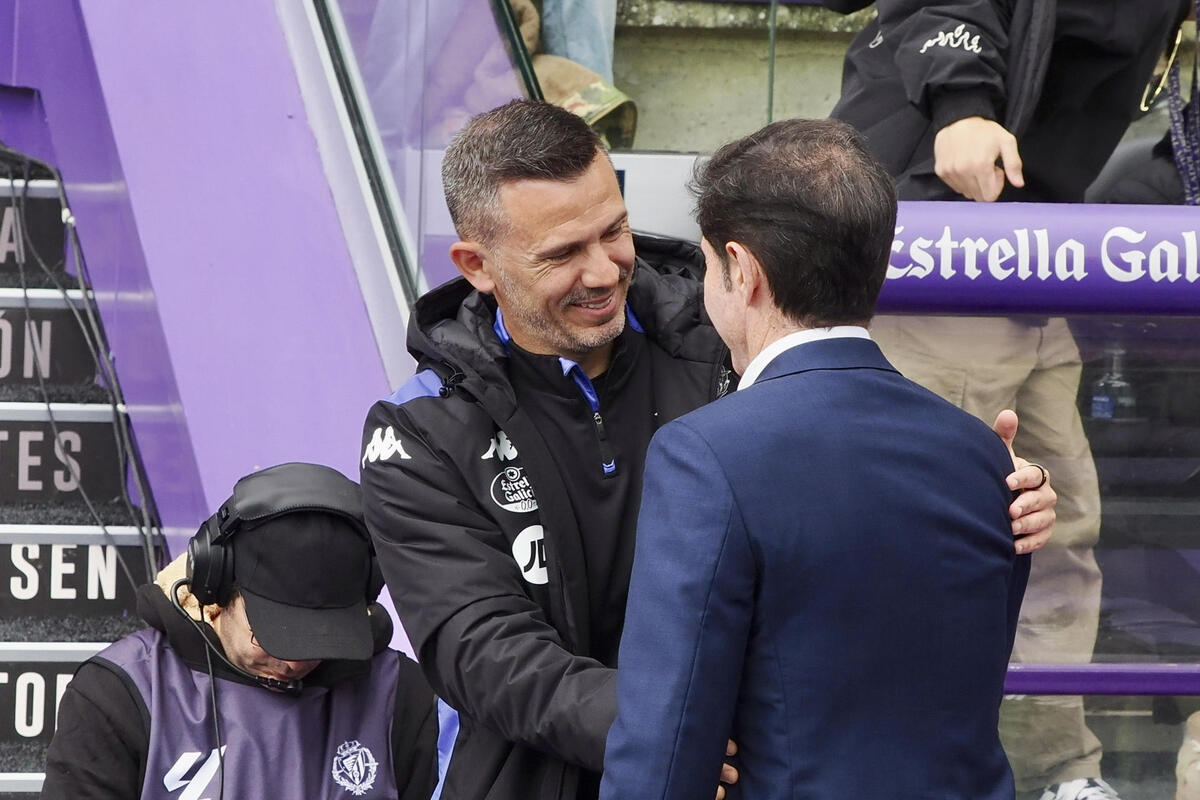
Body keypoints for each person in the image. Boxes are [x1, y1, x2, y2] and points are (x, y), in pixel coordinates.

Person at [359, 98, 1056, 800]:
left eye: (615, 230)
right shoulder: (419, 428)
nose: (603, 271)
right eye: (563, 254)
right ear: (476, 264)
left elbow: (845, 514)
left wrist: (984, 489)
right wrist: (671, 726)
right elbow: (481, 651)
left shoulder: (736, 329)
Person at [600, 115, 1029, 800]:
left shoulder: (704, 456)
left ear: (742, 272)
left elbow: (666, 742)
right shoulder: (982, 455)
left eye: (707, 267)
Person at [826, 2, 1192, 797]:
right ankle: (913, 771)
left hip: (1032, 245)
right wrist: (963, 104)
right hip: (942, 234)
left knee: (1059, 529)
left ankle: (1057, 765)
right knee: (938, 530)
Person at [41, 462, 439, 800]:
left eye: (322, 638)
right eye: (273, 633)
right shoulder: (120, 693)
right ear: (214, 589)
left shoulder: (403, 695)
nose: (294, 661)